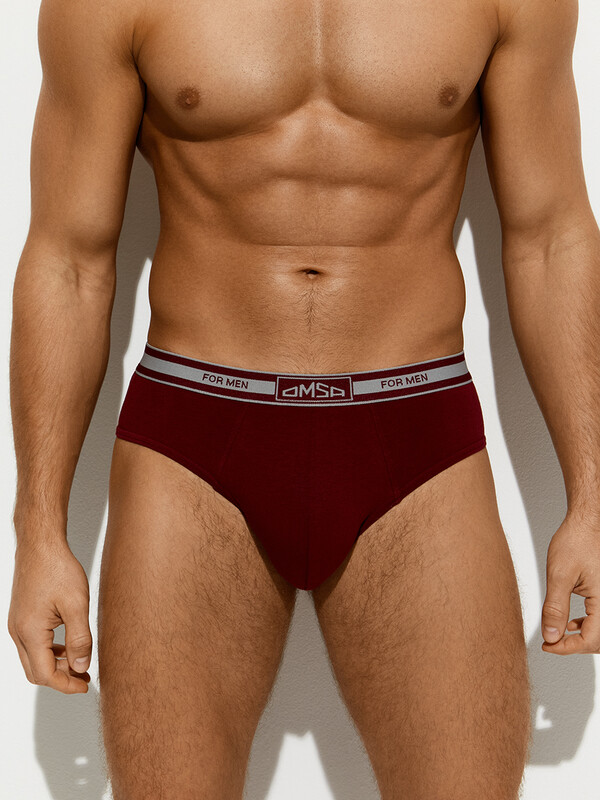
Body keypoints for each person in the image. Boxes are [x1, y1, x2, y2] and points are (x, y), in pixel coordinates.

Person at [7, 0, 599, 796]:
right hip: (193, 443)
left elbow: (552, 236)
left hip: (416, 438)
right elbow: (67, 259)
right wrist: (38, 531)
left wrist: (593, 499)